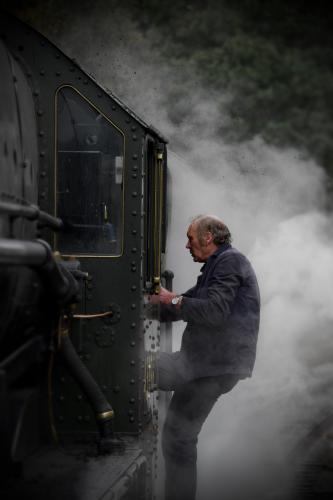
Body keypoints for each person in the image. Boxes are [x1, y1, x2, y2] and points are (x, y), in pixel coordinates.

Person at [150, 215, 260, 500]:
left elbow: (213, 311)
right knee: (176, 435)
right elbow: (184, 303)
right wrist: (152, 305)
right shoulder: (216, 265)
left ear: (208, 237)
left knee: (179, 438)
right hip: (202, 364)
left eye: (190, 238)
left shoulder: (230, 262)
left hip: (211, 368)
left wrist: (170, 299)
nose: (187, 246)